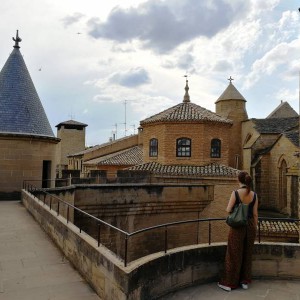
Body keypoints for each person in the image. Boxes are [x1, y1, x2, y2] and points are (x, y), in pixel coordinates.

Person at [218, 171, 258, 291]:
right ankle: (244, 281)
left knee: (233, 254)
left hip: (238, 226)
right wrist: (254, 228)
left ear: (238, 180)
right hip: (250, 226)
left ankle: (229, 283)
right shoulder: (254, 195)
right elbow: (255, 214)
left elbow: (228, 209)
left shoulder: (235, 193)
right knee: (247, 253)